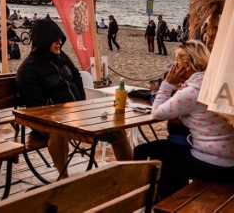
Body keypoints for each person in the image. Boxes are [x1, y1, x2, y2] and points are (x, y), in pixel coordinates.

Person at [16, 18, 132, 178]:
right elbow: (36, 109)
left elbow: (76, 76)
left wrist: (81, 103)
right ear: (43, 41)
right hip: (48, 123)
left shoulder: (61, 56)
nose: (59, 43)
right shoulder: (28, 71)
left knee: (117, 132)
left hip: (78, 115)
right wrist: (62, 118)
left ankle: (131, 176)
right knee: (59, 132)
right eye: (54, 40)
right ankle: (64, 180)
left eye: (60, 39)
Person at [134, 41, 234, 199]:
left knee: (163, 161)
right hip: (228, 160)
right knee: (169, 154)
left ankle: (165, 204)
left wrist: (167, 84)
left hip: (213, 162)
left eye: (176, 61)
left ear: (186, 66)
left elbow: (157, 113)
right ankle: (170, 200)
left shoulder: (193, 92)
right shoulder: (218, 84)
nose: (173, 65)